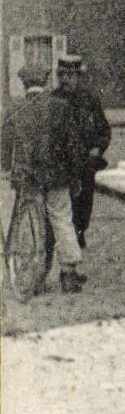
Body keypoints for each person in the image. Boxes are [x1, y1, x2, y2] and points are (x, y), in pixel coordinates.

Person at [0, 61, 87, 293]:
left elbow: (5, 145)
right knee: (61, 219)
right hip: (56, 177)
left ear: (23, 83)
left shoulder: (15, 108)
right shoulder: (60, 107)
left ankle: (31, 275)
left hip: (27, 178)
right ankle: (69, 273)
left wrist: (6, 167)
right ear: (46, 81)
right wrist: (75, 176)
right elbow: (73, 146)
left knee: (28, 223)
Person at [56, 53, 111, 249]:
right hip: (61, 162)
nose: (65, 80)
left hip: (85, 161)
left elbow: (104, 129)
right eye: (62, 75)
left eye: (70, 75)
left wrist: (98, 148)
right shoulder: (53, 99)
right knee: (61, 202)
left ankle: (79, 231)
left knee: (84, 201)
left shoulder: (89, 100)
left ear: (79, 77)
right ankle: (65, 238)